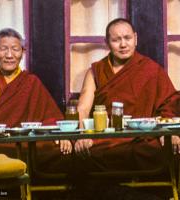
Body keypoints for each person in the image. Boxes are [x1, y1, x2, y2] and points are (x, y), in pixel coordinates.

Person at [75, 18, 180, 172]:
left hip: (143, 137)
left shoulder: (151, 69)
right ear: (107, 42)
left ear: (135, 39)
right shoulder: (96, 71)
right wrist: (82, 136)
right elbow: (83, 108)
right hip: (107, 137)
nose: (123, 44)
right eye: (116, 40)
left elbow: (168, 104)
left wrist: (168, 133)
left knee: (163, 150)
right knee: (83, 154)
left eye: (128, 38)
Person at [0, 28, 72, 156]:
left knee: (56, 150)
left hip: (24, 141)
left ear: (23, 53)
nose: (9, 55)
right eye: (3, 49)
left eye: (15, 49)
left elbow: (51, 117)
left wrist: (62, 135)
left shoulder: (31, 82)